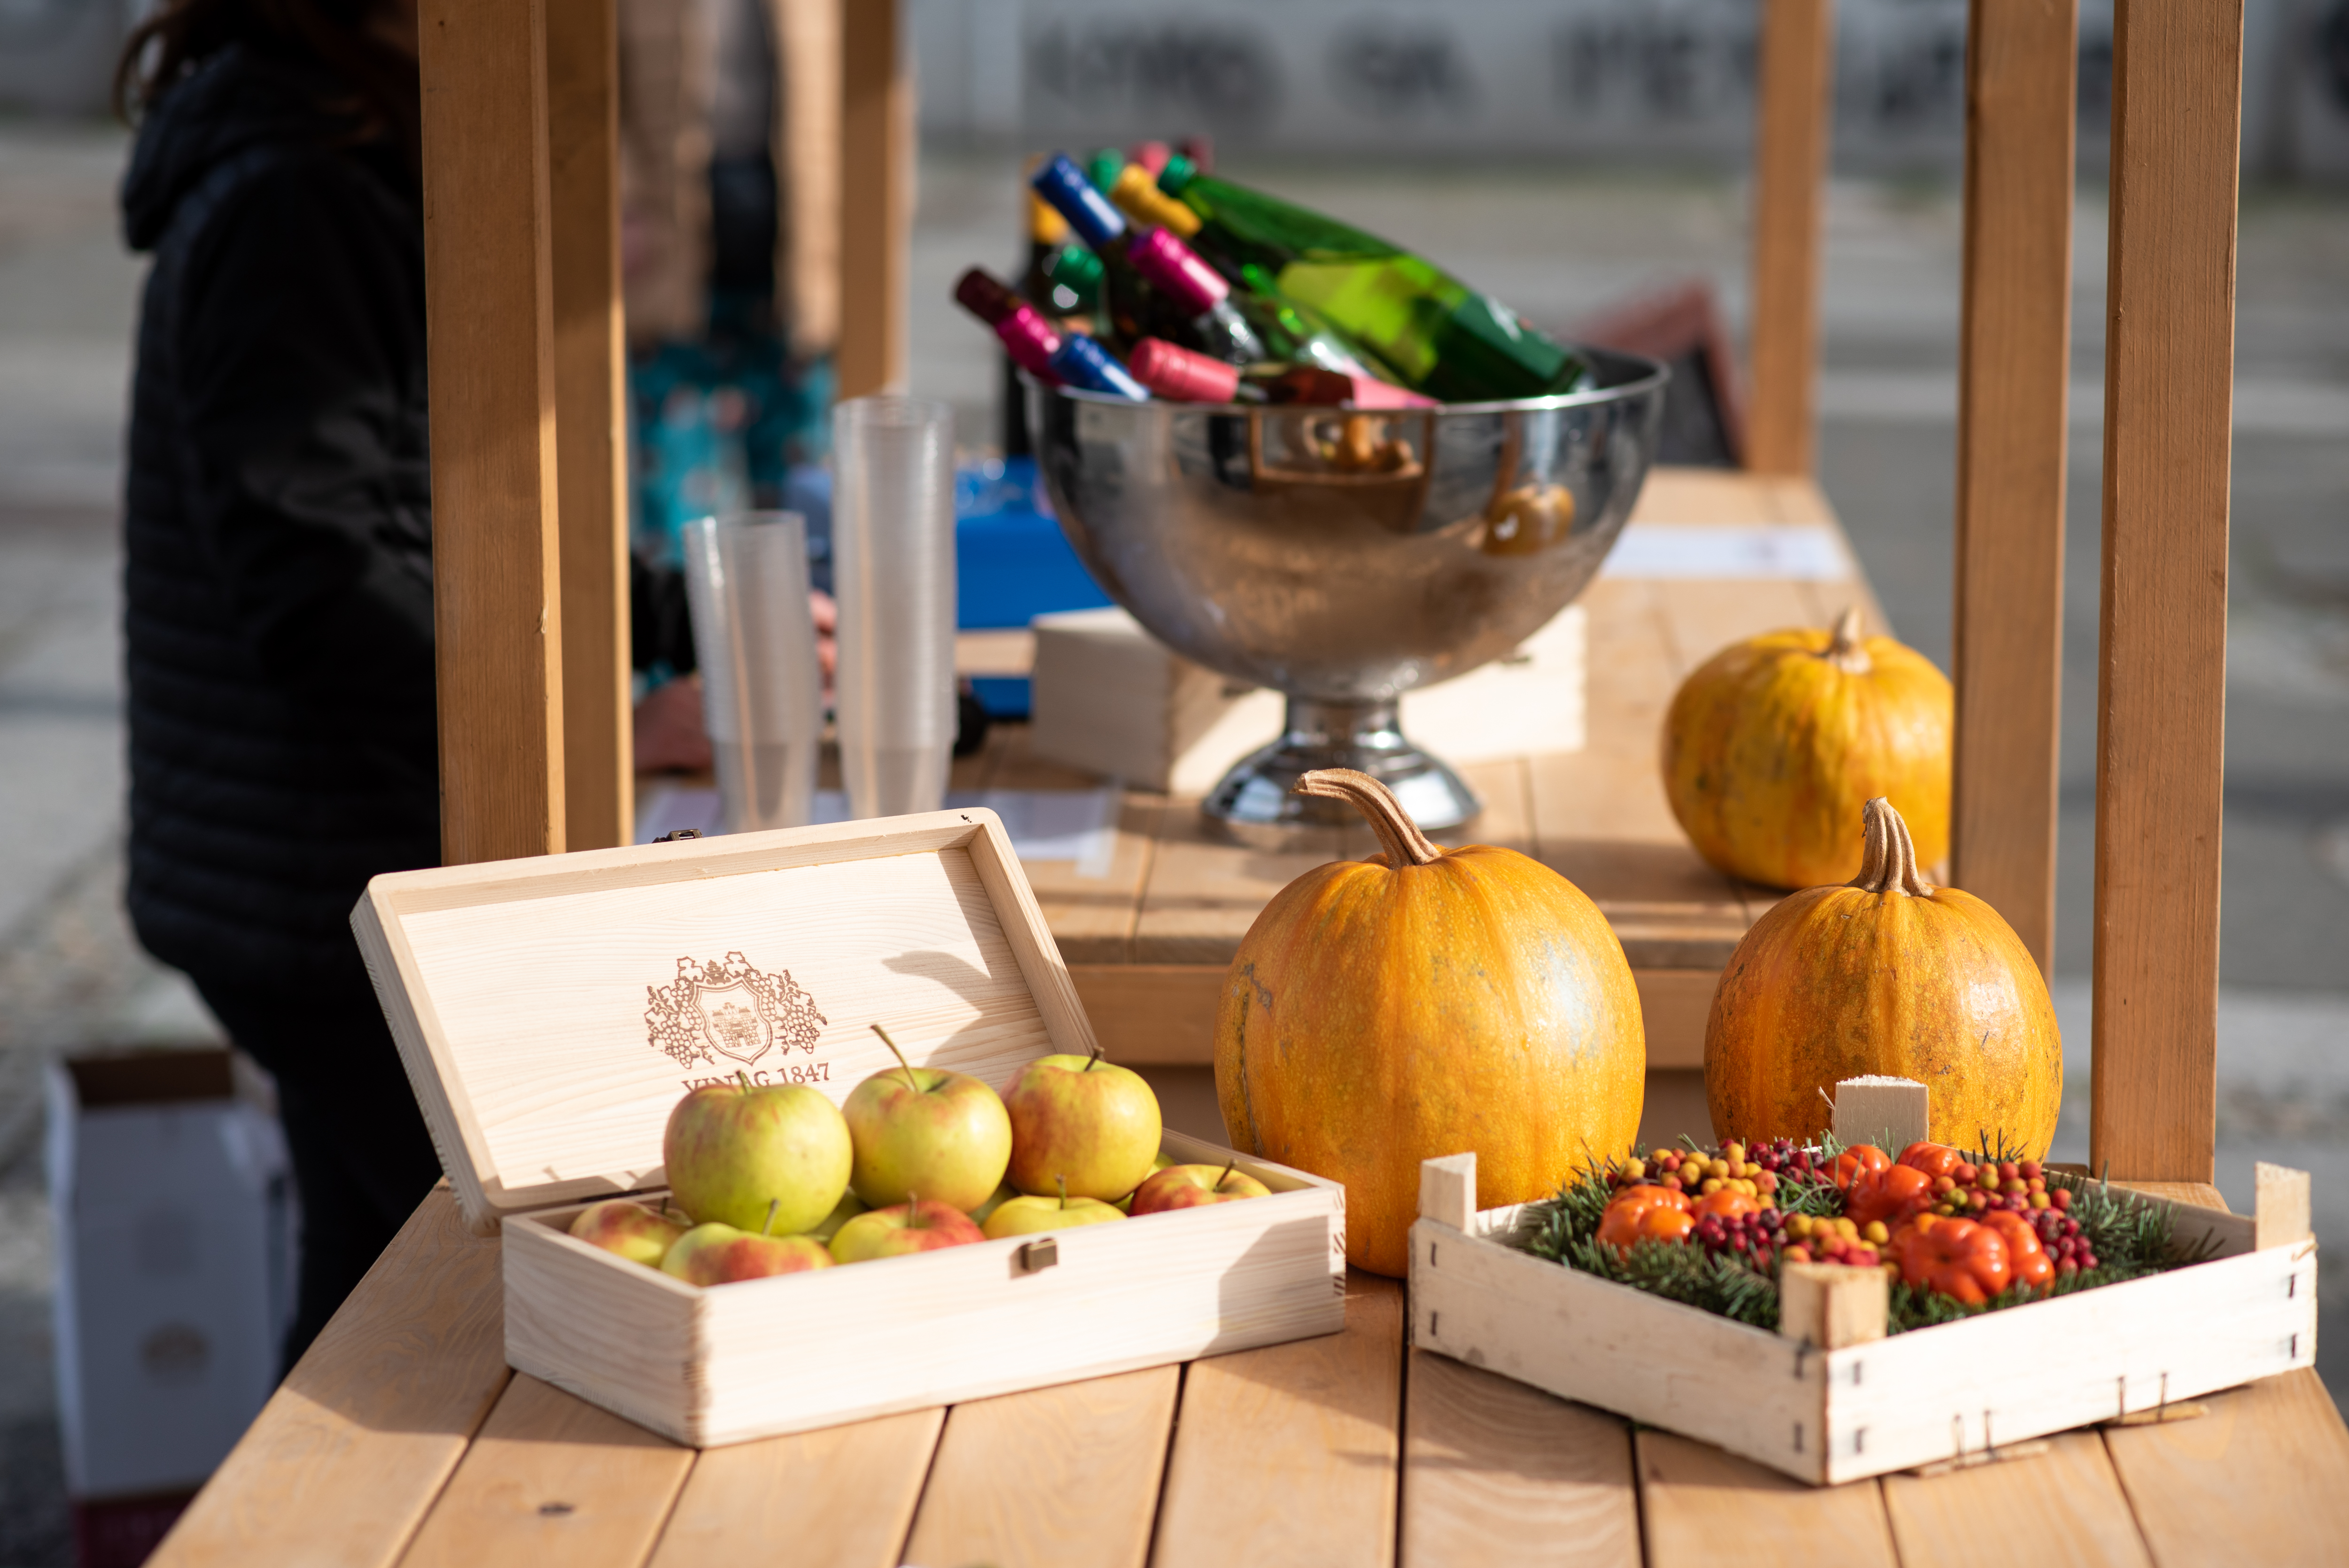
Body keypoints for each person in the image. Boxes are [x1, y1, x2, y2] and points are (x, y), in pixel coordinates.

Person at [115, 0, 442, 1369]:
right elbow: (321, 584)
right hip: (315, 881)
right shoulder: (293, 192)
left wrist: (649, 608)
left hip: (314, 867)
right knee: (435, 1310)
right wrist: (589, 707)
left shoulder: (323, 150)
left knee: (370, 1304)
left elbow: (447, 490)